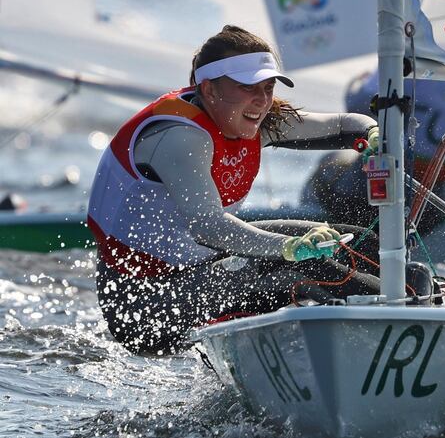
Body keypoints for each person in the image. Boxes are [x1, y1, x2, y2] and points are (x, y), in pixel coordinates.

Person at [87, 25, 404, 355]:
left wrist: (372, 133)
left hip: (203, 266)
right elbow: (209, 226)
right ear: (209, 89)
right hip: (146, 307)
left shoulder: (250, 116)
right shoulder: (179, 137)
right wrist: (290, 247)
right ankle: (396, 330)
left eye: (268, 88)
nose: (262, 101)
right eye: (248, 87)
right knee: (305, 268)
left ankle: (427, 303)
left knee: (348, 243)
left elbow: (341, 126)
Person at [301, 70, 445, 233]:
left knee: (330, 160)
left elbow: (357, 108)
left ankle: (311, 230)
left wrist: (357, 83)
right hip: (432, 204)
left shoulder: (400, 57)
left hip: (366, 193)